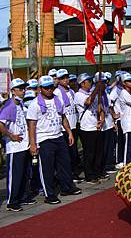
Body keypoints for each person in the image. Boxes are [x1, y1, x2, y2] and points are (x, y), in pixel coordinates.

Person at [27, 75, 81, 204]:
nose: (49, 90)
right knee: (47, 168)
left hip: (58, 136)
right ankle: (49, 194)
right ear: (40, 89)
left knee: (65, 164)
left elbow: (63, 117)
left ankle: (66, 188)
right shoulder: (35, 104)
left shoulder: (58, 100)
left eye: (51, 87)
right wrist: (33, 144)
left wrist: (69, 133)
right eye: (46, 88)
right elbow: (32, 125)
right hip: (44, 139)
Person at [0, 79, 32, 211]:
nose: (23, 91)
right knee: (15, 174)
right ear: (13, 91)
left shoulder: (20, 104)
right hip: (14, 147)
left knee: (24, 173)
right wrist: (11, 135)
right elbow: (1, 125)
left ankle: (22, 197)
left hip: (24, 144)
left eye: (24, 88)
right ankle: (12, 201)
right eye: (20, 89)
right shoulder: (9, 106)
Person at [74, 73, 105, 184]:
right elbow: (88, 102)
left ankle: (97, 172)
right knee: (89, 153)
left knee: (98, 152)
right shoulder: (79, 95)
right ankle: (89, 175)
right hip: (86, 128)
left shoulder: (93, 93)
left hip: (96, 126)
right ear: (82, 83)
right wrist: (96, 90)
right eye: (89, 81)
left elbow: (100, 108)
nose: (91, 83)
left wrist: (102, 119)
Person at [54, 69, 81, 182]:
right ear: (58, 80)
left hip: (74, 124)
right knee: (66, 153)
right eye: (62, 78)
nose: (65, 80)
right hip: (64, 127)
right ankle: (67, 175)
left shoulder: (71, 91)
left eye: (66, 77)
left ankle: (74, 173)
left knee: (74, 151)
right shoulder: (57, 92)